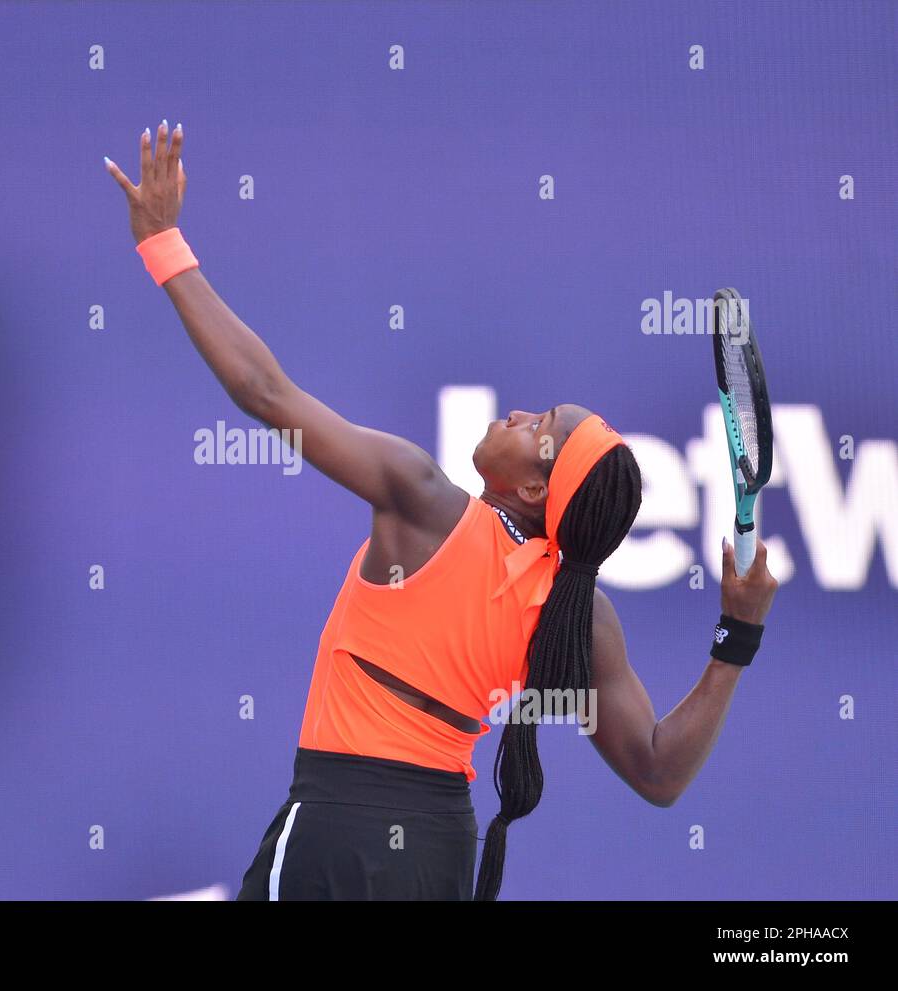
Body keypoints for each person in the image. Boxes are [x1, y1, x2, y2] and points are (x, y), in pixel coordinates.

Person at [104, 121, 780, 900]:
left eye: (540, 429)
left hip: (341, 826)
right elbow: (659, 772)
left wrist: (163, 244)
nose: (519, 413)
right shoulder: (582, 615)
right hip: (439, 855)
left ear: (534, 489)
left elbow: (266, 394)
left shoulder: (423, 498)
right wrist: (738, 637)